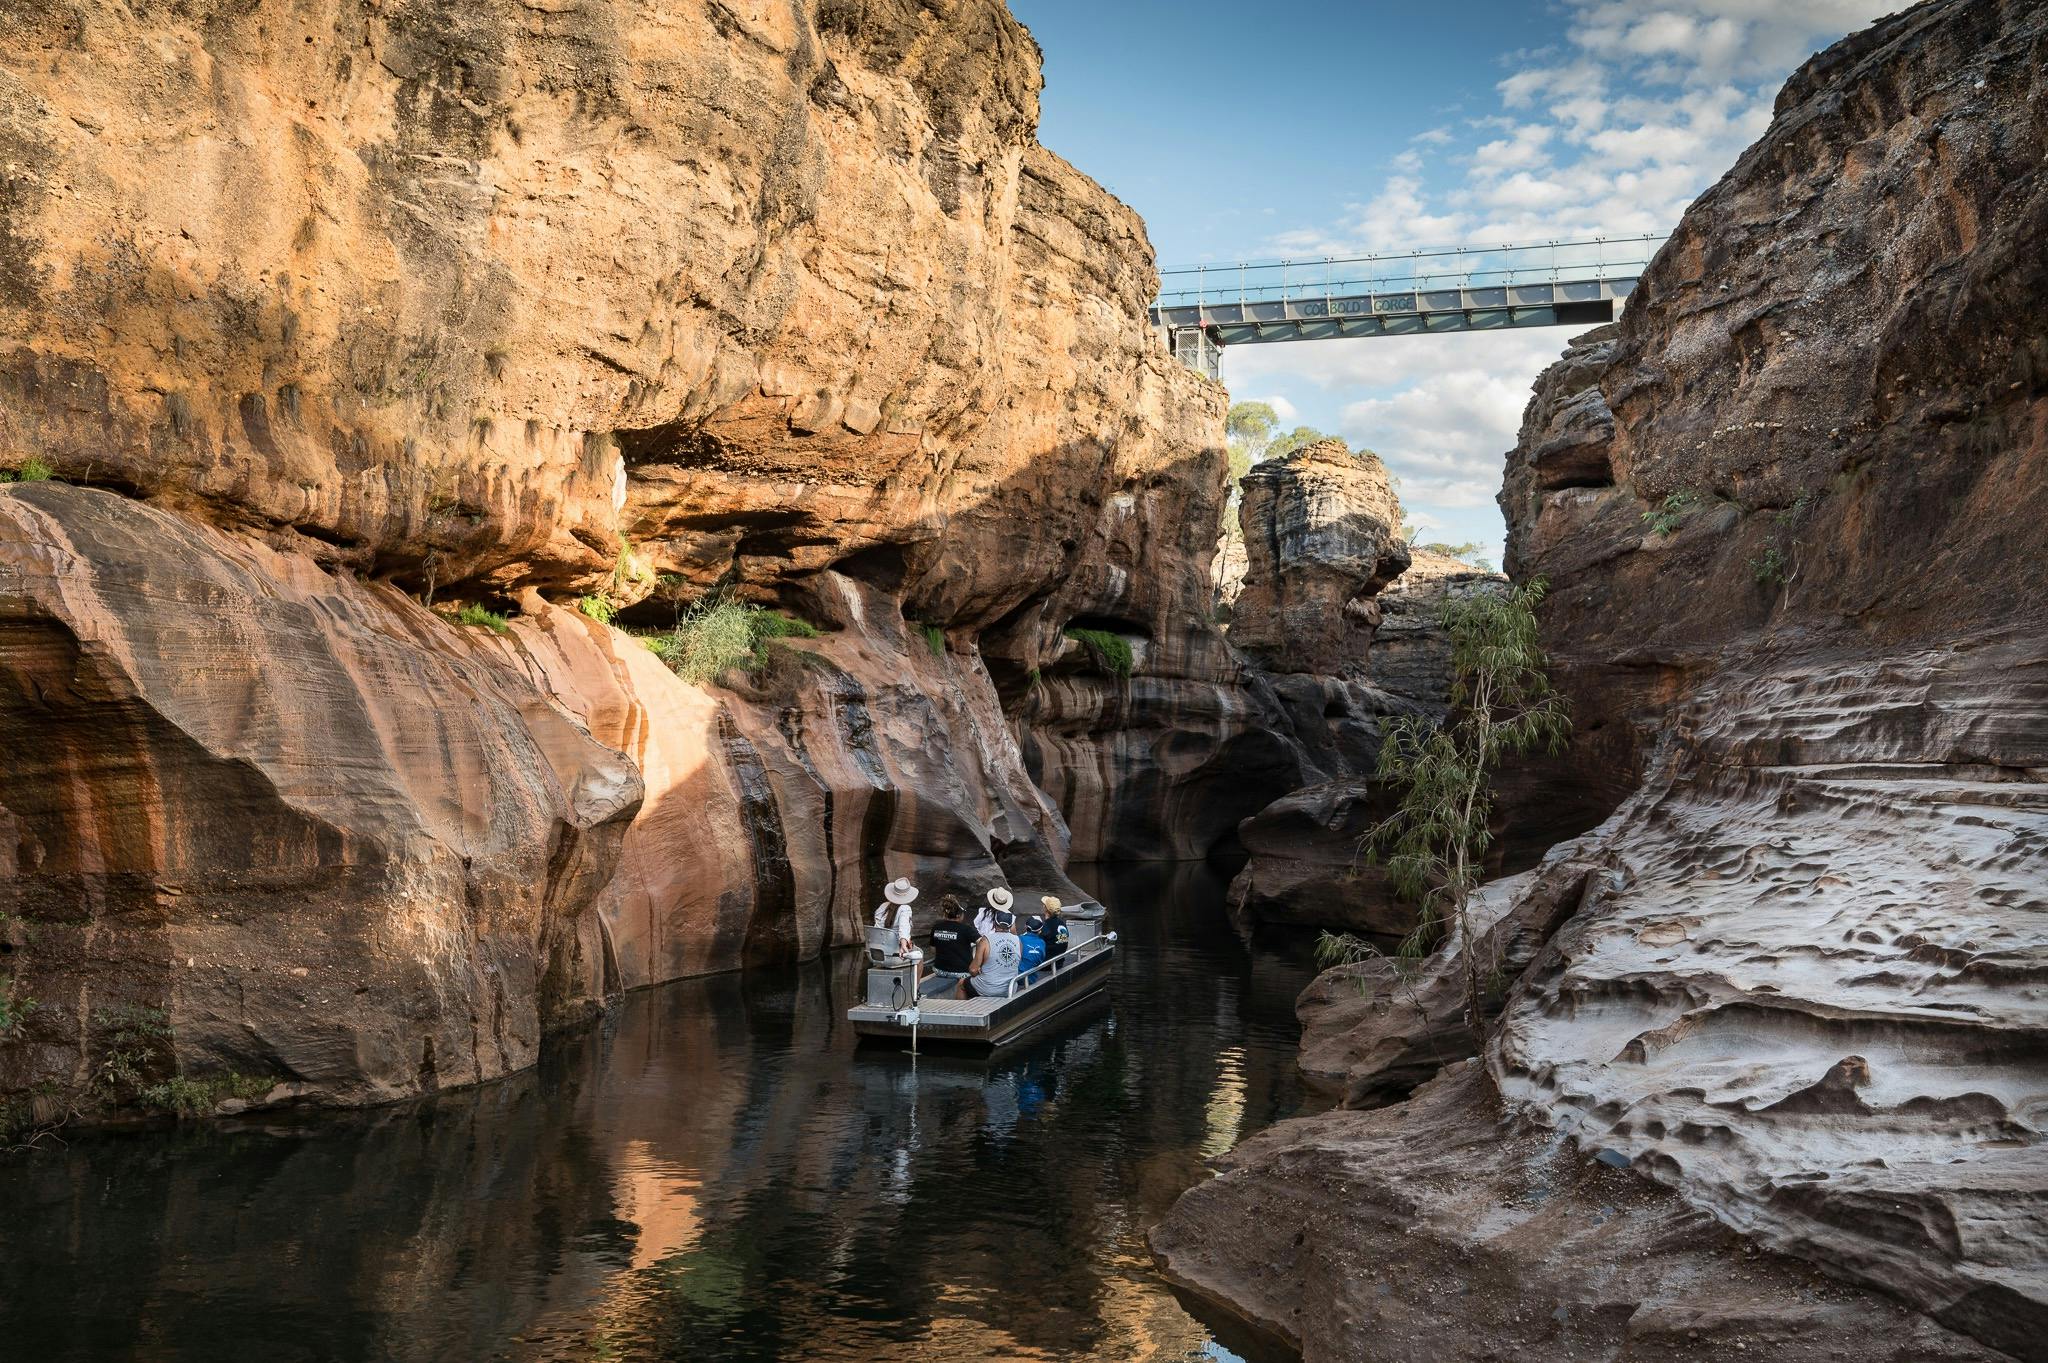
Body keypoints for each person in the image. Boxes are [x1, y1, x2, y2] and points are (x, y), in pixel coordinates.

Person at [959, 909, 1023, 999]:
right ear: (1010, 925)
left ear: (994, 923)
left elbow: (973, 970)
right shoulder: (1018, 940)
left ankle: (962, 1011)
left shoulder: (985, 940)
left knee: (961, 983)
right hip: (1010, 988)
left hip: (987, 988)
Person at [923, 895, 979, 997]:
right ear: (958, 915)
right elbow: (982, 942)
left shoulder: (936, 927)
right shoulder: (966, 929)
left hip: (940, 971)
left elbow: (933, 949)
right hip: (961, 972)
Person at [874, 877, 918, 956]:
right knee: (919, 955)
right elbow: (904, 927)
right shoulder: (905, 908)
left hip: (876, 951)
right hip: (895, 952)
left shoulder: (883, 906)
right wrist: (903, 945)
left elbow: (877, 926)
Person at [1038, 895, 1071, 965]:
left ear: (1045, 908)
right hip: (1060, 962)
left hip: (1047, 965)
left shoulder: (1045, 927)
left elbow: (1038, 947)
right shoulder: (1062, 923)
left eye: (1044, 905)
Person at [1018, 915, 1048, 979]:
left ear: (1026, 927)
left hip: (1018, 975)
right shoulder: (1042, 942)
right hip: (1032, 978)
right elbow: (1041, 959)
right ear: (1039, 931)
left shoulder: (1019, 939)